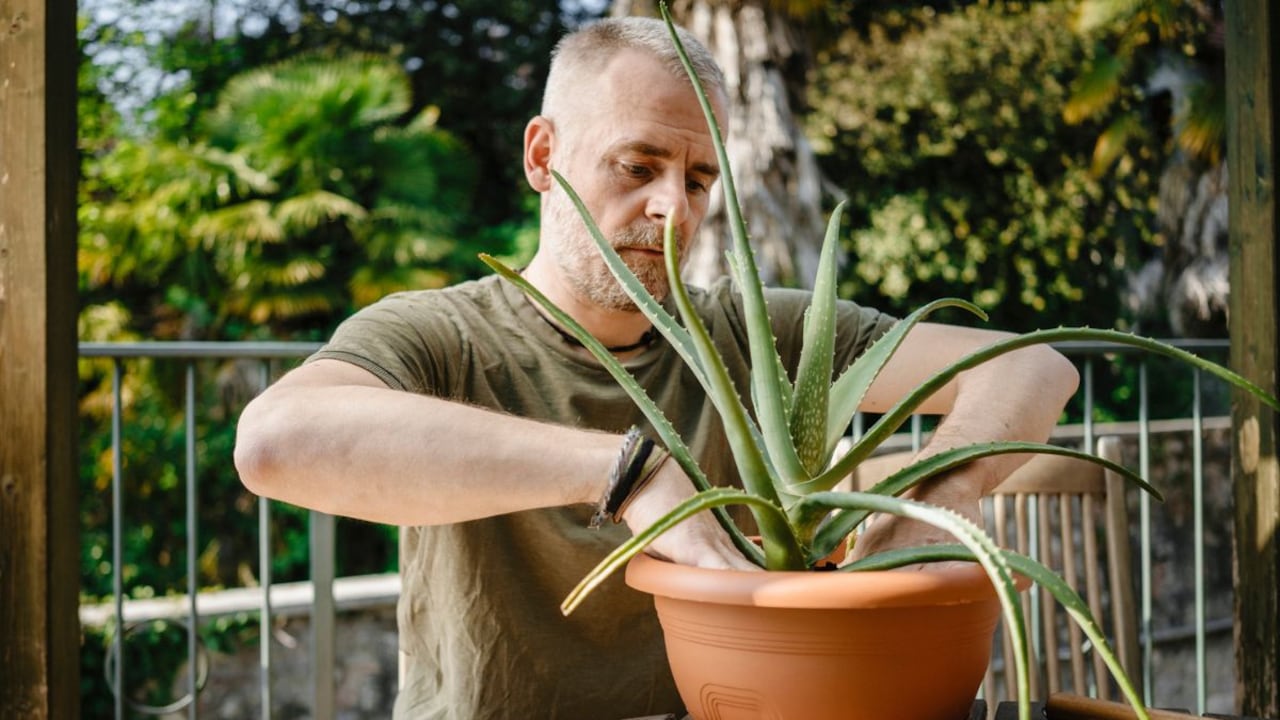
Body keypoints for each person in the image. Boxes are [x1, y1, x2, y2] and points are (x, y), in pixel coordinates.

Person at [233, 15, 1079, 720]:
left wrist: (935, 493)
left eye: (701, 178)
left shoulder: (755, 331)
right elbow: (274, 442)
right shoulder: (440, 334)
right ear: (541, 156)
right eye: (637, 167)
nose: (674, 210)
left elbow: (1031, 369)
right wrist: (628, 473)